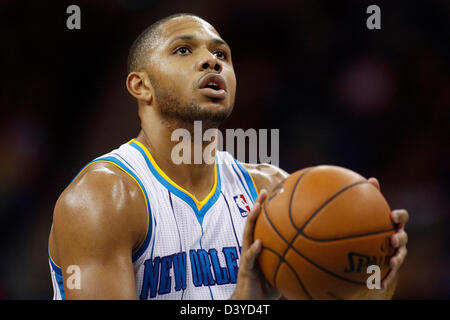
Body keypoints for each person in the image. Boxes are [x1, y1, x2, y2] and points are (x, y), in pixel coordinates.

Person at [48, 13, 408, 300]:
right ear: (141, 86)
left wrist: (367, 282)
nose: (210, 61)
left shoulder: (272, 192)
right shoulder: (102, 199)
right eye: (184, 50)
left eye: (221, 54)